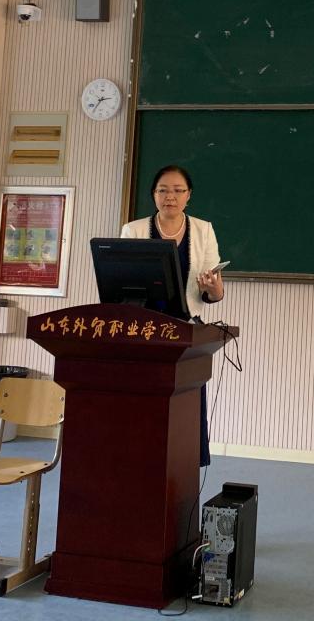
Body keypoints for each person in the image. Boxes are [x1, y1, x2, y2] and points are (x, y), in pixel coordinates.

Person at [120, 164, 224, 465]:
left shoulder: (203, 230)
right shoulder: (133, 231)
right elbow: (121, 281)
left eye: (178, 191)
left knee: (186, 404)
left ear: (188, 195)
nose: (170, 197)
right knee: (143, 403)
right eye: (163, 190)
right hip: (144, 333)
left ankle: (185, 465)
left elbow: (212, 292)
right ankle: (139, 461)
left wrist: (214, 290)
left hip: (186, 333)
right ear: (153, 194)